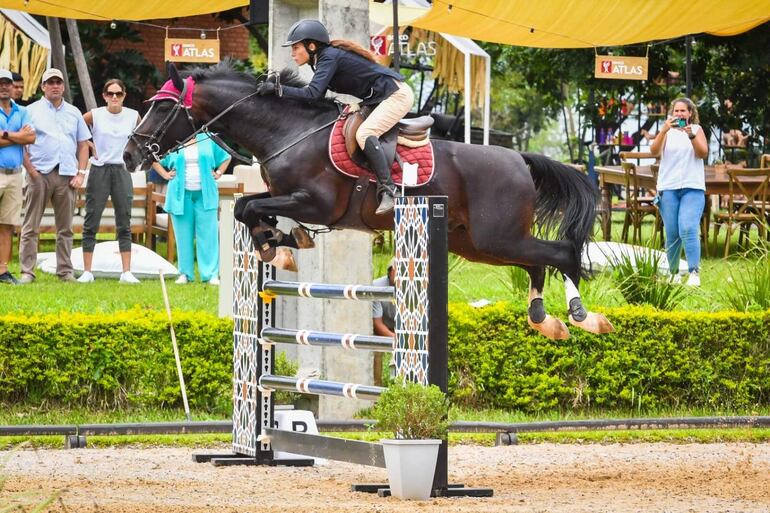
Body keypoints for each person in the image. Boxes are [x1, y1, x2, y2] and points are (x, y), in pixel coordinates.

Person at [257, 19, 414, 215]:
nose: (292, 53)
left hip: (396, 95)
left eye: (296, 48)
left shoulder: (328, 57)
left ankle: (389, 191)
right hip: (378, 98)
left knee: (365, 134)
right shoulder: (322, 59)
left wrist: (278, 89)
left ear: (311, 46)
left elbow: (313, 94)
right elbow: (316, 97)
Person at [19, 68, 90, 283]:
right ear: (43, 87)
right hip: (39, 174)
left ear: (63, 86)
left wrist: (81, 173)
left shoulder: (74, 112)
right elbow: (21, 144)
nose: (55, 86)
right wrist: (32, 171)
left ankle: (65, 271)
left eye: (58, 82)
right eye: (50, 82)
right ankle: (27, 271)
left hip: (66, 175)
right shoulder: (30, 111)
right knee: (31, 226)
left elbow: (83, 145)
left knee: (65, 228)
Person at [77, 79, 142, 284]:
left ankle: (126, 272)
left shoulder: (133, 116)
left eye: (118, 94)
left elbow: (143, 138)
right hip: (99, 169)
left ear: (124, 95)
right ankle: (87, 271)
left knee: (124, 220)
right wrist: (88, 143)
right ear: (104, 96)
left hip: (122, 169)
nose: (114, 97)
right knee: (92, 219)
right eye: (110, 93)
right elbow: (76, 125)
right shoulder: (95, 114)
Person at [151, 134, 230, 284]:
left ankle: (211, 275)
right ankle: (185, 274)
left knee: (208, 236)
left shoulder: (208, 138)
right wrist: (165, 175)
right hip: (180, 195)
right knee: (183, 236)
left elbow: (226, 157)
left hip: (205, 195)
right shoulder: (173, 140)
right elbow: (153, 159)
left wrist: (219, 172)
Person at [649, 97, 709, 286]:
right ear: (672, 113)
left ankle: (694, 273)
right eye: (676, 111)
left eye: (683, 111)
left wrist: (691, 136)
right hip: (668, 187)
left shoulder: (696, 130)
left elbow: (702, 153)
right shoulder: (666, 132)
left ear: (690, 113)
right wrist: (663, 130)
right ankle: (673, 273)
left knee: (688, 228)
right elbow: (654, 152)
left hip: (693, 187)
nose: (679, 114)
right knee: (673, 232)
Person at [0, 69, 35, 285]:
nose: (4, 87)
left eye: (7, 83)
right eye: (0, 83)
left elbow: (31, 137)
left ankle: (2, 271)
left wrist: (5, 134)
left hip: (14, 176)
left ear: (13, 86)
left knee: (7, 225)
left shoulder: (22, 111)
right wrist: (18, 136)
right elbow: (23, 137)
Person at [372, 257, 396, 382]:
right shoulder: (376, 287)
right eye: (396, 270)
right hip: (382, 328)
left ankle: (401, 383)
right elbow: (377, 323)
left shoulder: (413, 287)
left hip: (402, 328)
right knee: (376, 349)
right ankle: (376, 386)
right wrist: (396, 339)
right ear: (389, 271)